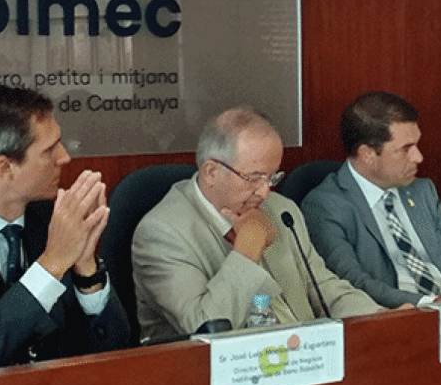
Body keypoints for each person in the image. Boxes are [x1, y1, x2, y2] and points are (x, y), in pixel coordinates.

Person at [131, 107, 382, 341]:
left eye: (272, 177)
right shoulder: (162, 234)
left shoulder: (281, 210)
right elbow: (203, 329)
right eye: (254, 178)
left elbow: (323, 286)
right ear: (211, 173)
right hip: (217, 377)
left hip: (302, 357)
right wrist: (247, 251)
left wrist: (384, 320)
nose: (264, 192)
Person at [0, 85, 129, 368]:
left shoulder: (54, 219)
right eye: (49, 150)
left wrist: (86, 269)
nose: (64, 157)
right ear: (4, 169)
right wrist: (52, 265)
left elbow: (117, 348)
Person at [301, 92, 441, 309]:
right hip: (394, 322)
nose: (418, 157)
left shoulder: (422, 190)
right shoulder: (325, 205)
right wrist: (432, 304)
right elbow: (353, 283)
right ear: (368, 154)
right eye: (406, 149)